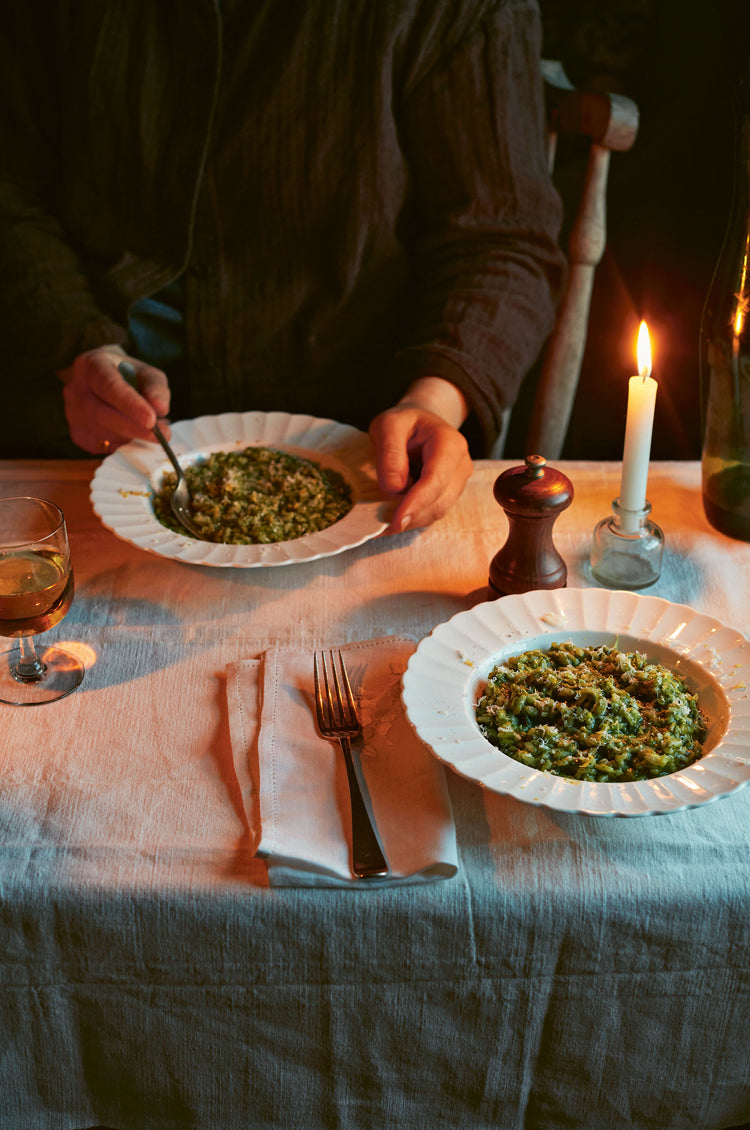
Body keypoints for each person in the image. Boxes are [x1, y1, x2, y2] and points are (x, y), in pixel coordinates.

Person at [0, 0, 564, 532]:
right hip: (88, 422)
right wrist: (77, 344)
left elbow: (502, 235)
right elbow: (11, 196)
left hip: (367, 444)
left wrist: (434, 399)